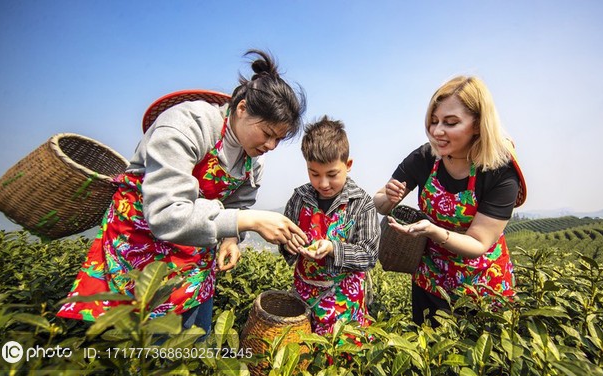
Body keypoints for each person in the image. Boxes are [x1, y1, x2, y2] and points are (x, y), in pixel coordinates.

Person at [57, 49, 308, 334]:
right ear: (242, 109)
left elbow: (237, 204)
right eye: (267, 133)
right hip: (142, 245)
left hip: (194, 254)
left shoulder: (253, 162)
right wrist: (250, 222)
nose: (271, 146)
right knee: (139, 344)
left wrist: (230, 239)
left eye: (278, 139)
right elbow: (166, 214)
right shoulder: (187, 124)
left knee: (189, 342)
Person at [373, 76, 526, 326]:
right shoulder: (425, 157)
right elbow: (378, 201)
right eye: (433, 122)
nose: (437, 131)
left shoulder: (500, 170)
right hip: (430, 282)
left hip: (482, 288)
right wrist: (388, 199)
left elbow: (479, 242)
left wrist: (434, 231)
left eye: (450, 123)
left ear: (477, 124)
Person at [280, 116, 380, 335]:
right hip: (303, 296)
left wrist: (334, 248)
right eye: (314, 174)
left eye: (332, 174)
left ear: (348, 165)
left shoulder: (361, 203)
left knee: (342, 356)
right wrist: (289, 244)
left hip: (345, 302)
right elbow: (284, 240)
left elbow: (369, 254)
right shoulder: (300, 198)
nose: (323, 184)